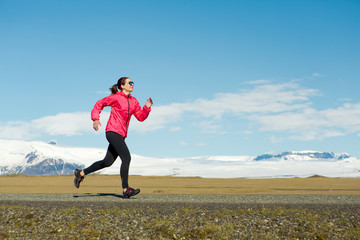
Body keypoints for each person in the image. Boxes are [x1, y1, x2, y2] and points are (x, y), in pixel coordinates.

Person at [74, 77, 153, 198]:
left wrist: (147, 108)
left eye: (133, 83)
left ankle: (81, 173)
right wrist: (95, 119)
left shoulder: (134, 101)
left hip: (121, 135)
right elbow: (99, 104)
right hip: (112, 131)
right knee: (126, 157)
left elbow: (140, 117)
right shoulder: (116, 97)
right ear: (122, 86)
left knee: (107, 162)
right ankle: (126, 190)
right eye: (130, 83)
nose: (132, 84)